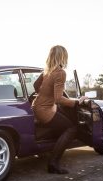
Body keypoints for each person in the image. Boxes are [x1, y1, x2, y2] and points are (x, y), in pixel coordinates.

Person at [32, 45, 87, 174]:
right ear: (62, 57)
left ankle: (48, 151)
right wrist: (77, 102)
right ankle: (53, 163)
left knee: (62, 123)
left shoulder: (47, 71)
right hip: (45, 110)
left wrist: (44, 94)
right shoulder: (60, 73)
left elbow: (35, 86)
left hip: (36, 106)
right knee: (71, 128)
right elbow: (58, 99)